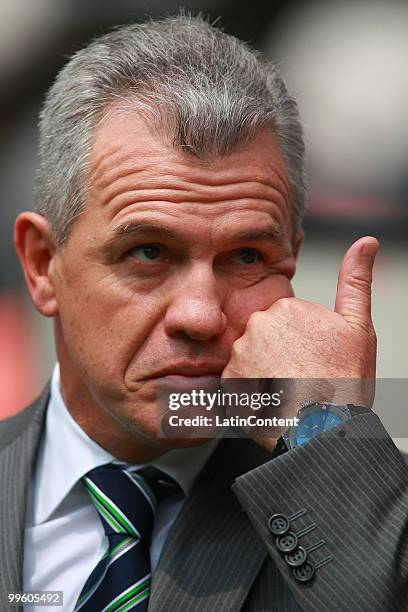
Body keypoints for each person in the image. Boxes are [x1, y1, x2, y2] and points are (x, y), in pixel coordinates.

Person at [1, 14, 407, 612]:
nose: (200, 314)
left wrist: (322, 430)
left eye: (246, 256)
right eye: (148, 252)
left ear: (290, 262)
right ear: (42, 266)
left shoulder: (369, 508)